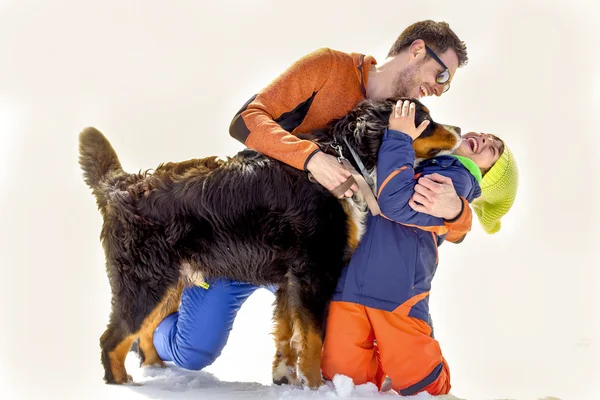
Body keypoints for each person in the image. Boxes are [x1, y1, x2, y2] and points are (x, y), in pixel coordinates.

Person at [152, 20, 473, 375]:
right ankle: (151, 331)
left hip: (315, 259)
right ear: (416, 50)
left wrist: (458, 213)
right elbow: (245, 121)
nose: (439, 91)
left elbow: (421, 206)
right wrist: (312, 159)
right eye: (441, 76)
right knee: (194, 353)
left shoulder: (407, 125)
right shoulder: (329, 67)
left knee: (334, 356)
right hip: (245, 236)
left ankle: (287, 363)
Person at [320, 100, 520, 396]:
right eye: (490, 136)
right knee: (342, 380)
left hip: (397, 293)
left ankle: (439, 385)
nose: (488, 140)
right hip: (349, 289)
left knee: (420, 381)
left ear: (486, 176)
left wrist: (399, 136)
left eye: (494, 150)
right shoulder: (429, 159)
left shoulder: (458, 178)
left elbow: (396, 203)